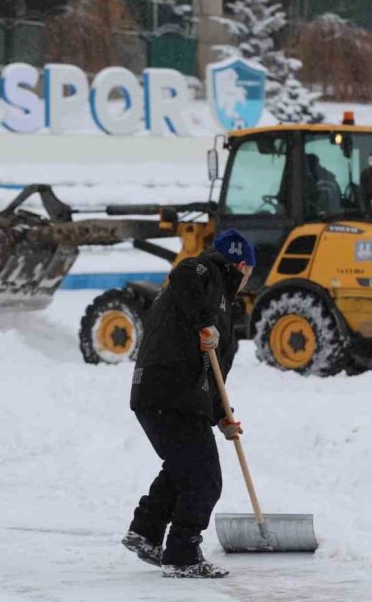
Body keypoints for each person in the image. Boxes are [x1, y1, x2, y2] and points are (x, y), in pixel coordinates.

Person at [123, 229, 256, 579]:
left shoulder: (221, 303)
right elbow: (183, 272)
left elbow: (212, 375)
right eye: (249, 273)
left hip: (168, 394)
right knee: (204, 479)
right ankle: (182, 553)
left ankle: (146, 532)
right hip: (170, 392)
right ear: (242, 266)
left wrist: (221, 416)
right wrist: (204, 323)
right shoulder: (206, 274)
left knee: (183, 470)